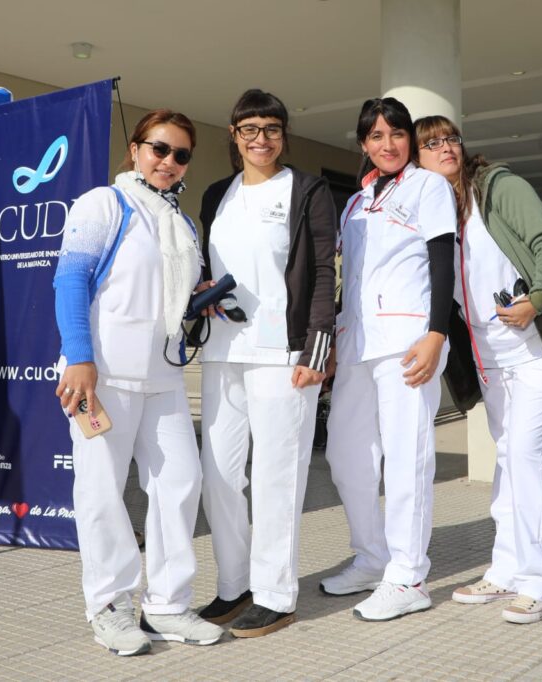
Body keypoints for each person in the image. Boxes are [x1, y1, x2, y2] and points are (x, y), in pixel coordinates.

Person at [53, 109, 223, 655]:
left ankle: (168, 605)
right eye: (159, 149)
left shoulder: (182, 223)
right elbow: (70, 280)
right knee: (101, 491)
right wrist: (80, 357)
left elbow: (166, 294)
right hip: (102, 376)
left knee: (181, 483)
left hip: (164, 375)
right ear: (135, 149)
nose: (168, 162)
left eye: (181, 155)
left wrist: (201, 300)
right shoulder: (104, 203)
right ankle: (109, 605)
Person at [415, 115, 542, 624]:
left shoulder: (498, 187)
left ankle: (541, 581)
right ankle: (507, 568)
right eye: (431, 143)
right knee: (509, 461)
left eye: (451, 138)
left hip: (536, 353)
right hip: (491, 362)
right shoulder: (437, 210)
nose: (446, 147)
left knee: (527, 459)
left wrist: (538, 298)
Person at [194, 89, 337, 637]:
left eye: (272, 129)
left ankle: (276, 594)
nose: (261, 139)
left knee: (278, 475)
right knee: (219, 476)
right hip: (223, 350)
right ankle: (236, 585)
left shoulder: (307, 189)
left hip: (283, 353)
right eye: (250, 129)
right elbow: (207, 263)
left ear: (283, 135)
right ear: (234, 136)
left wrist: (317, 350)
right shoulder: (217, 194)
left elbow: (322, 271)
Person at [320, 97, 456, 621]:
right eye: (376, 136)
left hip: (407, 340)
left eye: (397, 133)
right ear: (364, 144)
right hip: (357, 342)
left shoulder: (428, 187)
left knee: (406, 457)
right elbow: (349, 276)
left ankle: (408, 575)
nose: (388, 144)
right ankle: (372, 557)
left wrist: (437, 332)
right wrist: (335, 340)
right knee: (345, 454)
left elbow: (442, 262)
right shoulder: (357, 202)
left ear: (409, 139)